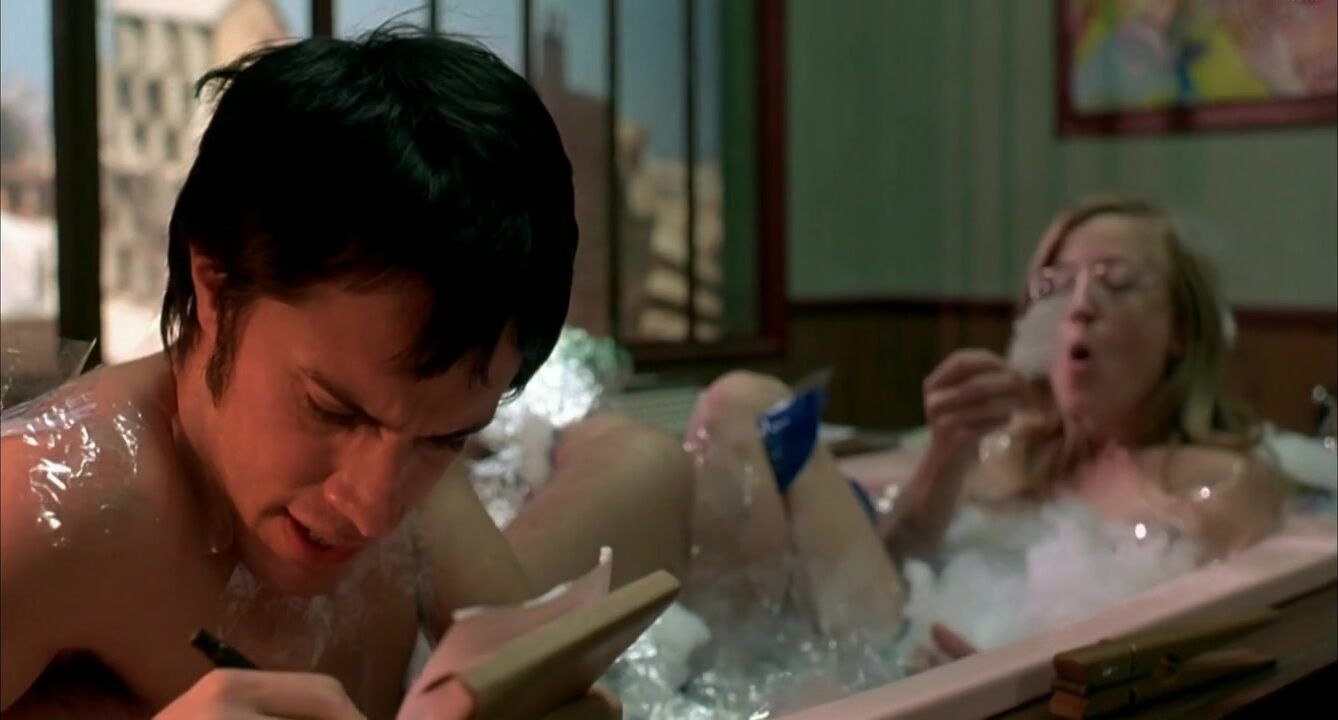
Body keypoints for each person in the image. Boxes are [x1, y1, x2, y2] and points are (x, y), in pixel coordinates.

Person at [0, 28, 691, 719]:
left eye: (443, 439)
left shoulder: (409, 446)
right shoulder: (50, 511)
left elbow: (520, 673)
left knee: (655, 467)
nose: (375, 508)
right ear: (215, 289)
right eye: (333, 411)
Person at [886, 196, 1285, 567]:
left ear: (1180, 327)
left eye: (1117, 281)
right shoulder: (1006, 459)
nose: (1079, 305)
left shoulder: (1218, 482)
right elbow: (879, 592)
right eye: (1056, 285)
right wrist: (945, 458)